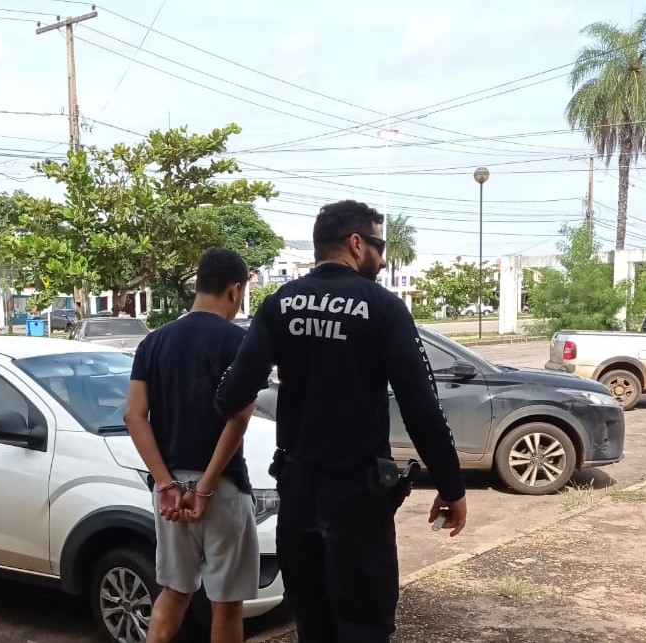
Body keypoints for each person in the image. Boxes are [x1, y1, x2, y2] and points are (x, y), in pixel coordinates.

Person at [214, 200, 468, 643]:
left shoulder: (279, 306)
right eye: (379, 247)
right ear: (355, 243)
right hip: (359, 500)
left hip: (298, 496)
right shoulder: (383, 308)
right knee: (364, 626)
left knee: (314, 627)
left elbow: (232, 396)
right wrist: (452, 487)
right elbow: (422, 407)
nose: (383, 260)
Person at [124, 248, 259, 643]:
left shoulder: (154, 342)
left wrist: (165, 484)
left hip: (170, 491)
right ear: (235, 290)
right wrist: (205, 487)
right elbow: (239, 417)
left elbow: (134, 415)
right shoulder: (239, 342)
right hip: (222, 488)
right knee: (226, 604)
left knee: (173, 591)